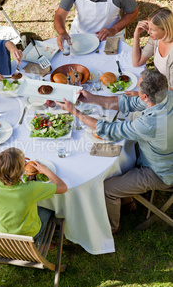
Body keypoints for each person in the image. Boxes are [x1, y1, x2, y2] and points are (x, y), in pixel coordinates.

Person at [56, 70, 173, 234]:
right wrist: (92, 99)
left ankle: (112, 227)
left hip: (161, 172)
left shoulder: (149, 124)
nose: (136, 90)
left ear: (145, 96)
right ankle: (128, 203)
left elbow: (109, 129)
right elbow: (129, 104)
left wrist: (74, 112)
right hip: (161, 153)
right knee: (119, 155)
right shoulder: (165, 94)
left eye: (138, 88)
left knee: (107, 189)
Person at [0, 148, 67, 239]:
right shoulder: (30, 188)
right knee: (49, 208)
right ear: (20, 171)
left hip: (4, 231)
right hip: (28, 234)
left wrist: (6, 166)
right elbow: (63, 187)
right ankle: (42, 241)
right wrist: (46, 170)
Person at [131, 7, 173, 90]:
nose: (148, 32)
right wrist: (136, 35)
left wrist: (143, 94)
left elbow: (171, 90)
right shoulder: (157, 39)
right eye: (148, 28)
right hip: (159, 87)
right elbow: (137, 62)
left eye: (152, 30)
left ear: (166, 30)